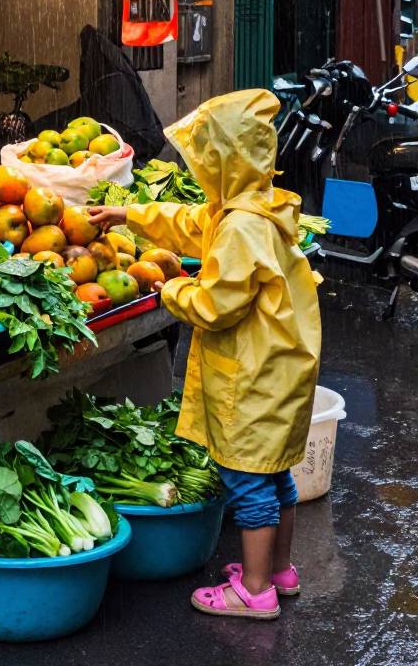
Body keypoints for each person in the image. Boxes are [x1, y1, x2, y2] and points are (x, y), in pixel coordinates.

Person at [89, 89, 321, 621]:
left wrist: (168, 290)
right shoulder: (254, 206)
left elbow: (216, 306)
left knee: (245, 480)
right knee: (276, 474)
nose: (198, 172)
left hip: (253, 376)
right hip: (280, 369)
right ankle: (279, 571)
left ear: (227, 161)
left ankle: (255, 591)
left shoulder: (241, 227)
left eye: (205, 161)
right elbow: (192, 221)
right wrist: (130, 213)